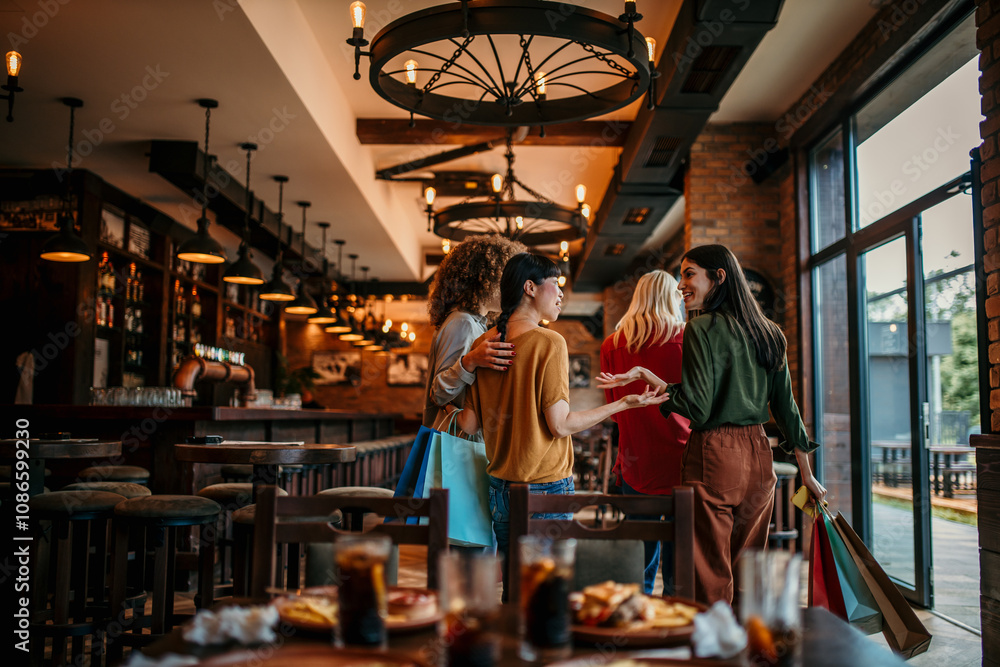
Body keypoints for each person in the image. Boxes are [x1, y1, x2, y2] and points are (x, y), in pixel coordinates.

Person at [598, 244, 827, 605]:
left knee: (709, 570)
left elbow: (698, 410)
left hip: (715, 456)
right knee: (748, 566)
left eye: (689, 274)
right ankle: (746, 647)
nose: (681, 285)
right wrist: (808, 474)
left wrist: (663, 393)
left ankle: (712, 650)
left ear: (718, 277)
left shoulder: (700, 328)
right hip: (759, 459)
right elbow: (788, 411)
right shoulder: (771, 333)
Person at [454, 253, 669, 600]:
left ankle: (515, 647)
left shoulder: (484, 343)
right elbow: (561, 426)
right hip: (545, 487)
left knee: (514, 588)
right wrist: (623, 403)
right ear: (529, 288)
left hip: (499, 487)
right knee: (547, 591)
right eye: (555, 284)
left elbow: (469, 422)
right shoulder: (549, 342)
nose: (560, 295)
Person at [599, 269, 691, 595]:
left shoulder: (613, 345)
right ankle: (675, 626)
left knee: (640, 556)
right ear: (672, 298)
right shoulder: (687, 337)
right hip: (685, 462)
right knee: (681, 556)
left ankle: (637, 624)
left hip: (637, 463)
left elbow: (616, 411)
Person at [423, 234, 526, 429]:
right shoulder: (463, 322)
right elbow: (438, 393)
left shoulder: (473, 322)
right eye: (507, 279)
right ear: (486, 279)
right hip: (455, 445)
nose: (512, 288)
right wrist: (470, 361)